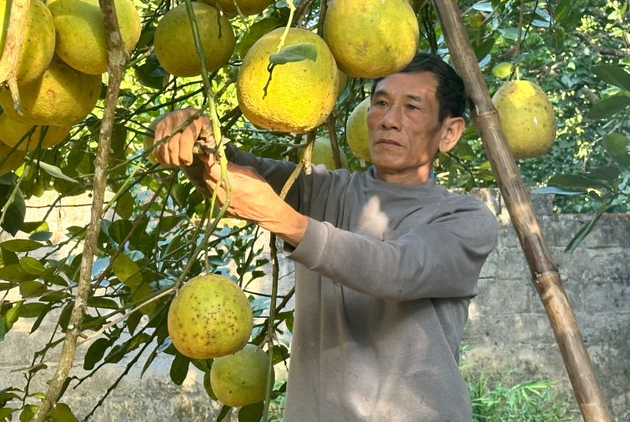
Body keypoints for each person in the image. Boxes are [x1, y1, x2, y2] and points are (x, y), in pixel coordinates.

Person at [153, 52, 499, 421]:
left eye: (412, 107)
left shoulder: (465, 219)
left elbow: (394, 270)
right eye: (380, 103)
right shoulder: (324, 191)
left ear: (449, 132)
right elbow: (234, 171)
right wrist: (191, 136)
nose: (389, 120)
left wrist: (282, 218)